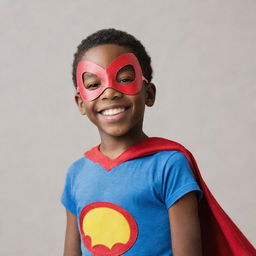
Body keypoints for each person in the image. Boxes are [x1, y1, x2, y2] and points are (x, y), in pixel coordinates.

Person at [61, 29, 255, 256]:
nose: (110, 93)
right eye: (93, 85)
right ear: (80, 103)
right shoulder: (77, 174)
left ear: (149, 93)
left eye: (124, 79)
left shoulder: (169, 165)